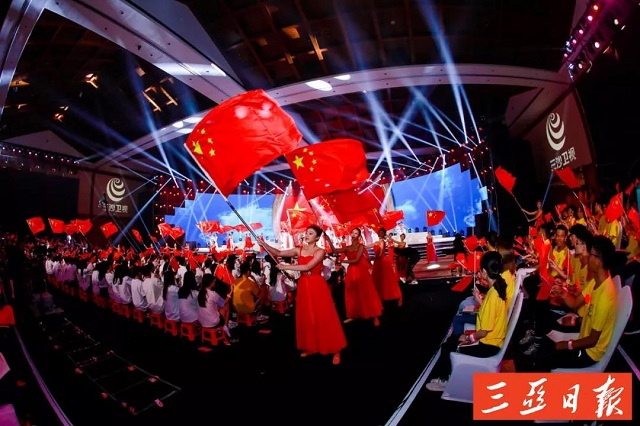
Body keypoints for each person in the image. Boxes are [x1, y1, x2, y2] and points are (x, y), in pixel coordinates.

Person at [521, 235, 619, 371]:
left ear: (598, 261)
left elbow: (592, 340)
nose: (587, 257)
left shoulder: (605, 297)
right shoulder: (596, 282)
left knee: (546, 355)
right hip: (583, 338)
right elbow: (574, 304)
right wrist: (562, 293)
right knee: (545, 344)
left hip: (588, 353)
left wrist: (567, 344)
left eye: (590, 255)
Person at [426, 251, 509, 392]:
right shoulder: (495, 290)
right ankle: (446, 377)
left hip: (488, 346)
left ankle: (445, 380)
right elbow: (490, 315)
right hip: (492, 342)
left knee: (447, 347)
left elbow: (484, 332)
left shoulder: (493, 295)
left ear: (484, 272)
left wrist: (468, 338)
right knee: (450, 342)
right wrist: (479, 300)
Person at [266, 224, 346, 365]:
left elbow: (307, 267)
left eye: (310, 233)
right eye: (306, 233)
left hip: (317, 286)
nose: (307, 235)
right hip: (304, 286)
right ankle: (311, 346)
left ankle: (336, 349)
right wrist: (264, 244)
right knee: (308, 316)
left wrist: (286, 266)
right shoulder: (299, 249)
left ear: (317, 237)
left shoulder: (320, 251)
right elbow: (278, 252)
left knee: (324, 316)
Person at [332, 228, 383, 326]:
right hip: (351, 272)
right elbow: (334, 250)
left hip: (360, 271)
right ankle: (353, 314)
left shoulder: (360, 246)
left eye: (356, 233)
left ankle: (374, 315)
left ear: (359, 236)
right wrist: (328, 239)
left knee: (366, 292)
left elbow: (356, 260)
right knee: (352, 293)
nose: (354, 234)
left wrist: (342, 261)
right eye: (353, 233)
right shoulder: (347, 247)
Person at [371, 228, 402, 307]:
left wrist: (371, 258)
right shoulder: (376, 242)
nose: (380, 233)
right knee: (379, 279)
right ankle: (379, 295)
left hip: (382, 261)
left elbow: (380, 255)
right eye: (379, 232)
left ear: (384, 234)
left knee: (385, 279)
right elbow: (367, 246)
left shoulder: (382, 242)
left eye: (382, 232)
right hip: (377, 262)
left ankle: (387, 295)